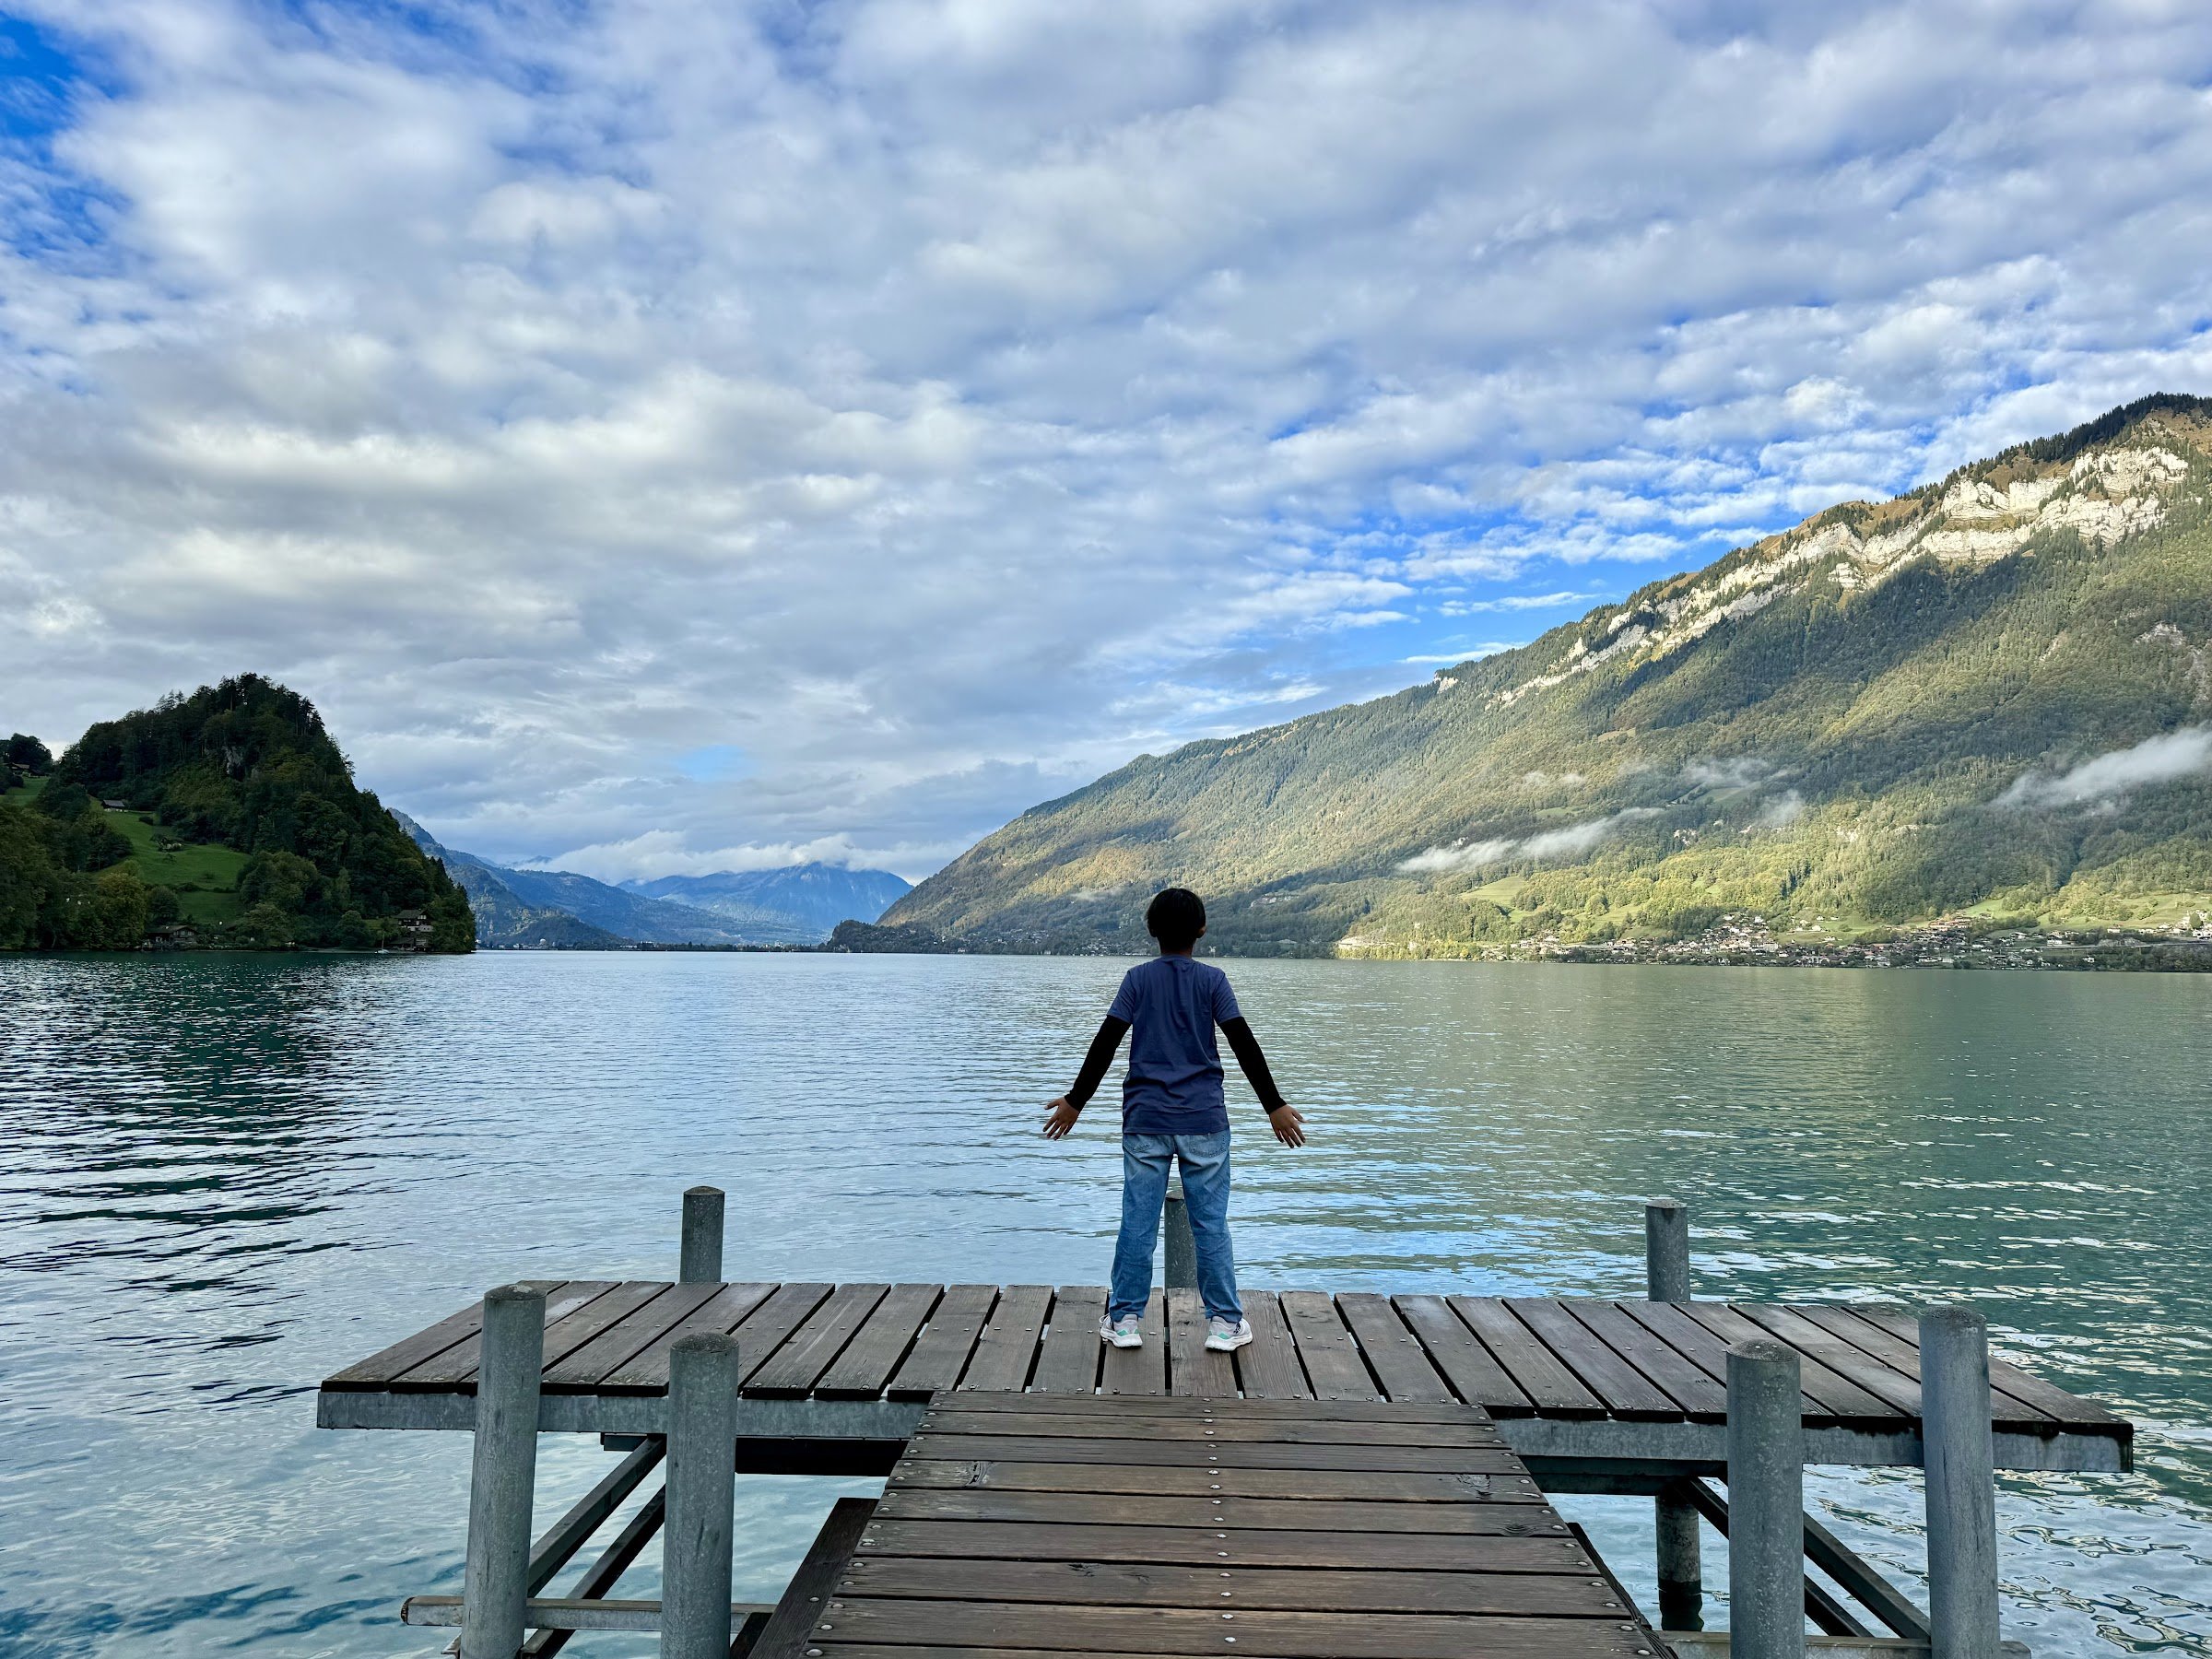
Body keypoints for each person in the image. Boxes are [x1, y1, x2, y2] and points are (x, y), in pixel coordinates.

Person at [1041, 887, 1306, 1353]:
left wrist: (1075, 1101)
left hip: (1145, 1121)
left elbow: (1105, 1043)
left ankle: (1124, 1321)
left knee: (1137, 1223)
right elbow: (1244, 1044)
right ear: (1201, 930)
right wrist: (1273, 1105)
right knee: (1211, 1225)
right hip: (1204, 1120)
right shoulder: (1213, 981)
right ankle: (1225, 1324)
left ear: (1152, 931)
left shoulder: (1137, 980)